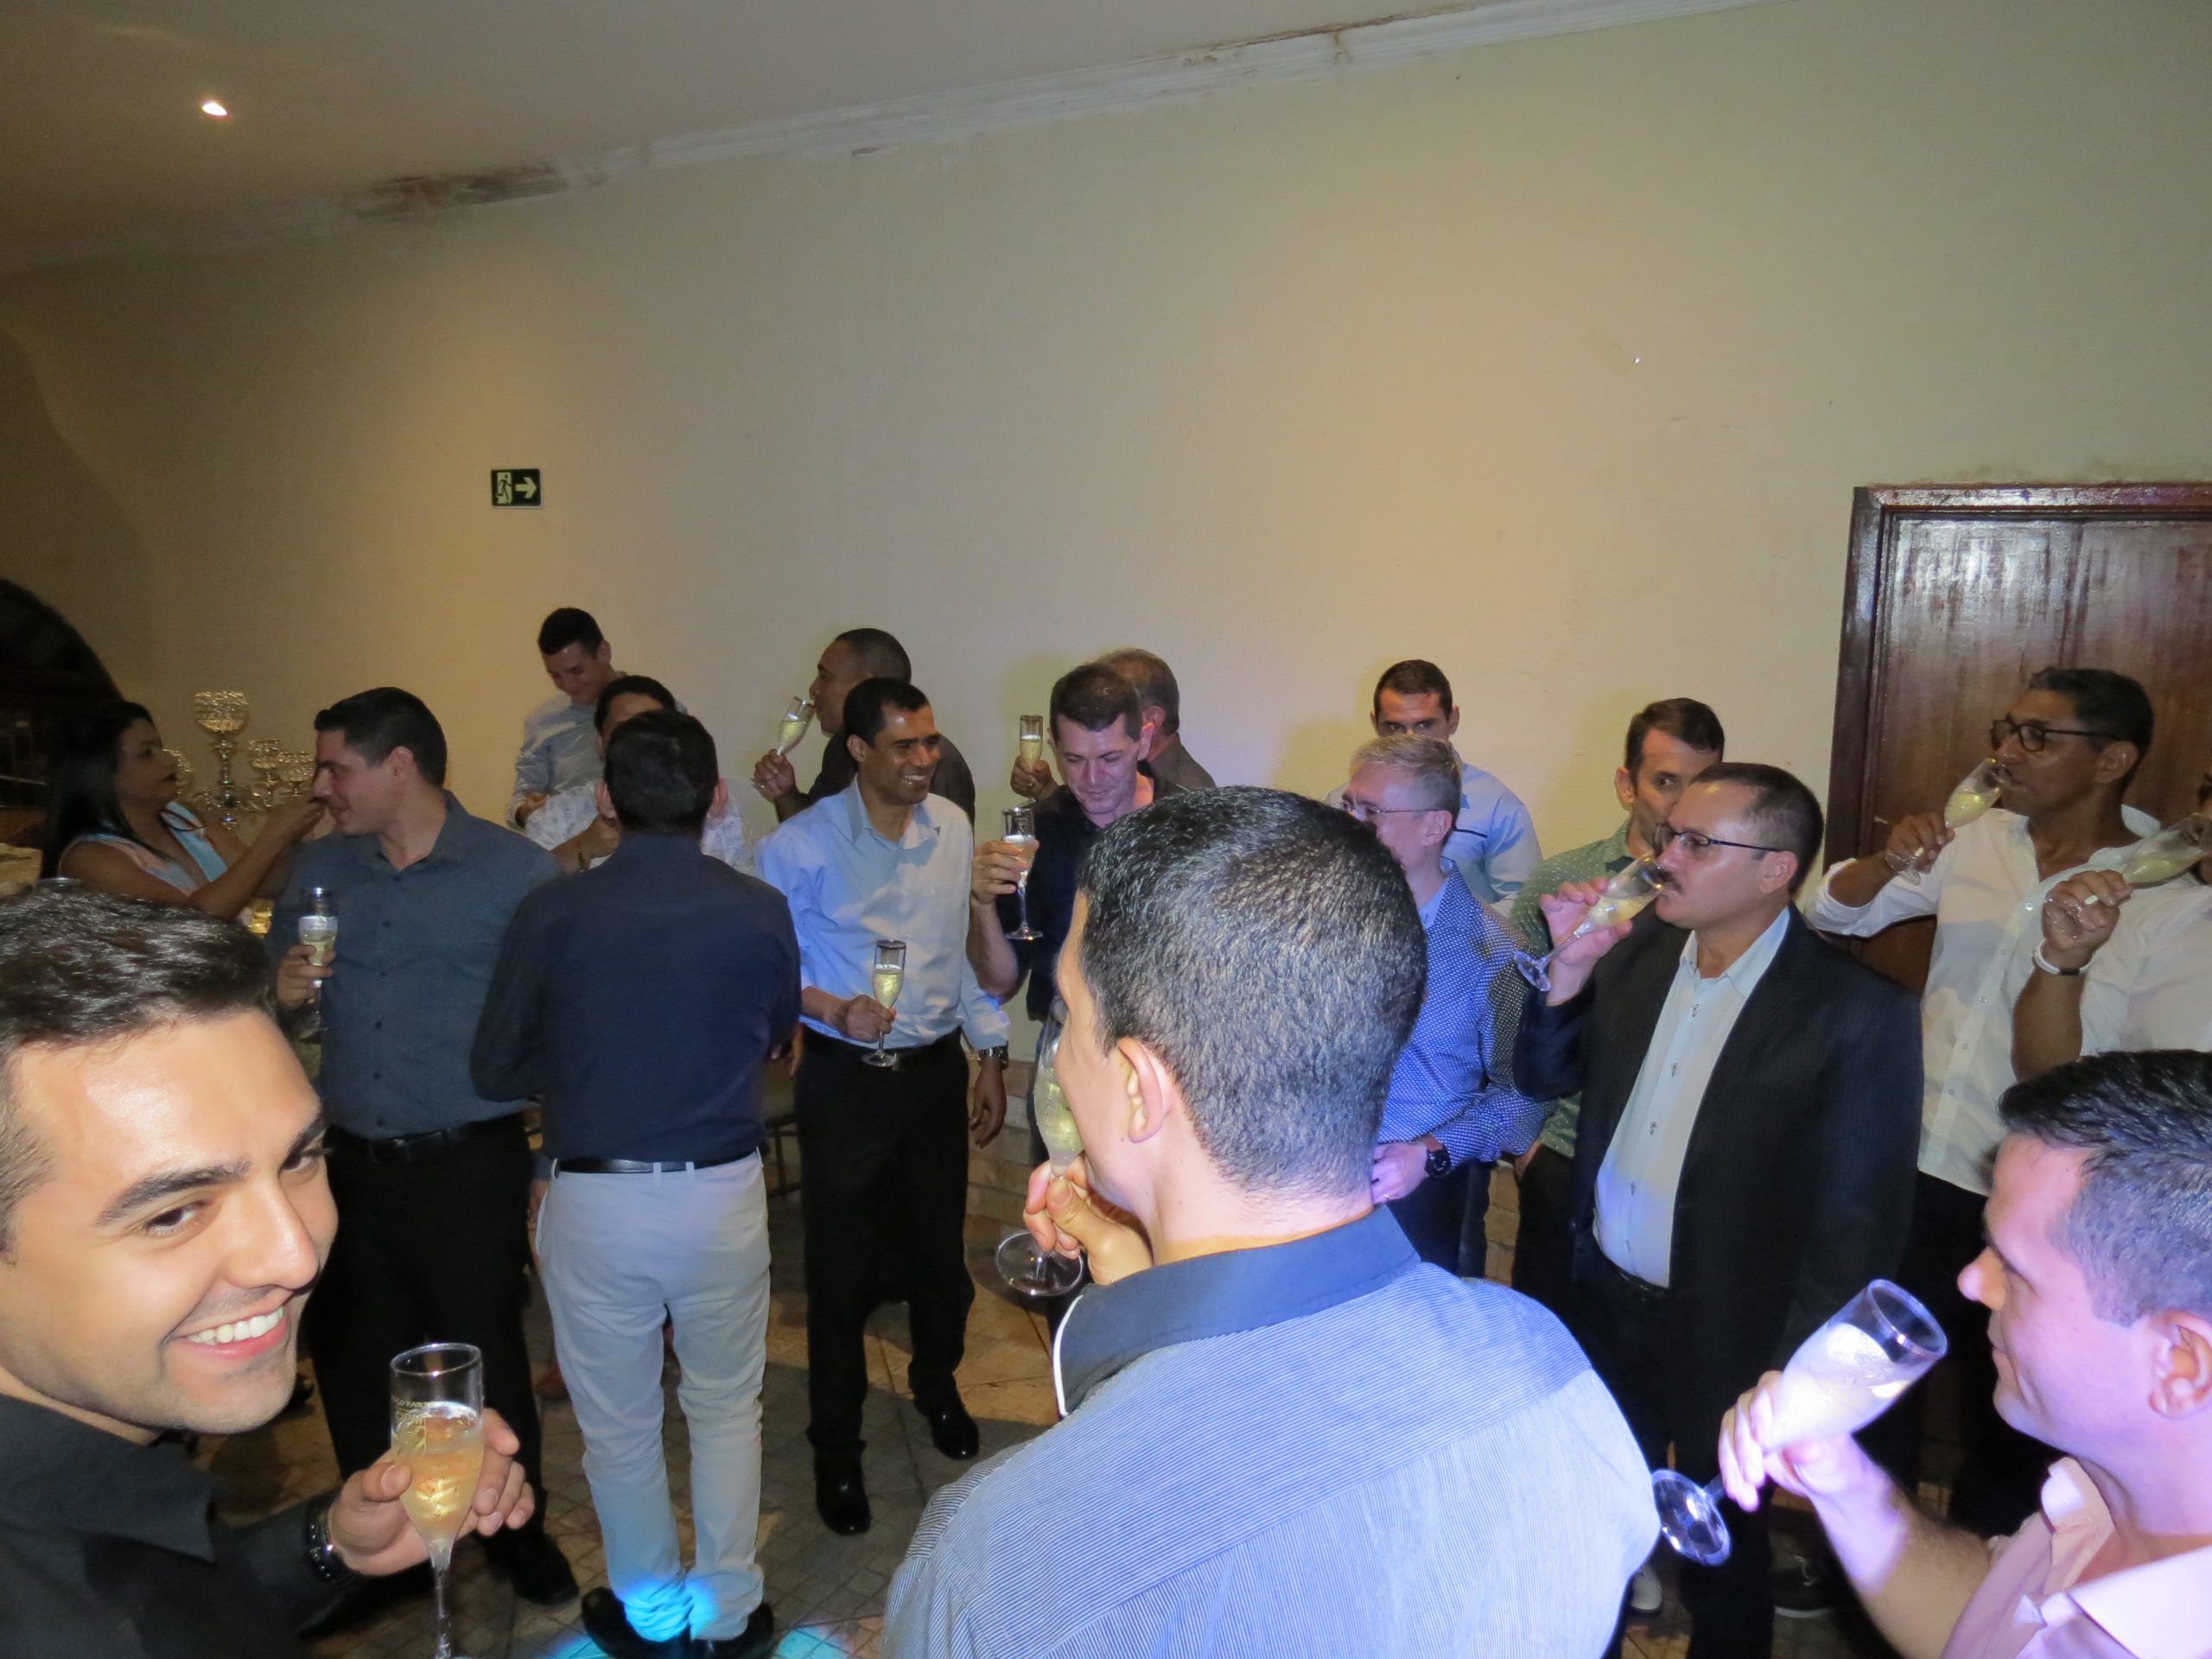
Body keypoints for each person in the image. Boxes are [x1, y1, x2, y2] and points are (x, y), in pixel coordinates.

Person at [885, 788, 1656, 1658]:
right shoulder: (1547, 1370)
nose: (1059, 1057)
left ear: (1138, 1086)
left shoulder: (997, 1570)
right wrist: (1136, 1274)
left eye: (1068, 1015)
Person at [0, 887, 537, 1659]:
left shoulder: (89, 1481)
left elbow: (163, 1601)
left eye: (300, 1158)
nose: (296, 1256)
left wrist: (329, 1546)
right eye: (173, 1213)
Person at [1517, 762, 1923, 1657]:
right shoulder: (1634, 957)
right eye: (1670, 836)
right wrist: (1569, 969)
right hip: (1603, 1300)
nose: (1665, 858)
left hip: (1732, 1330)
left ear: (1776, 869)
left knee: (1724, 1558)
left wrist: (1797, 1372)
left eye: (1698, 844)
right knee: (1596, 1523)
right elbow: (1543, 1079)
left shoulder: (1855, 1012)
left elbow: (1859, 1223)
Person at [1808, 668, 2168, 1537]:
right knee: (1876, 1381)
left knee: (2013, 1412)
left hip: (2045, 1195)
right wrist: (1890, 861)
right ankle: (1864, 1566)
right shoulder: (1977, 840)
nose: (2007, 751)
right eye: (2005, 729)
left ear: (2112, 760)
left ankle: (1994, 1578)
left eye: (2038, 736)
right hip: (1918, 1158)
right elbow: (1832, 912)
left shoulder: (2163, 886)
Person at [474, 712, 798, 1659]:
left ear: (607, 800)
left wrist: (583, 1059)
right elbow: (778, 1029)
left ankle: (652, 1618)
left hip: (598, 1191)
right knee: (726, 1409)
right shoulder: (757, 908)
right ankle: (729, 1615)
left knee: (618, 1426)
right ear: (717, 798)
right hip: (721, 1188)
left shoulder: (554, 911)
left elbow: (495, 1068)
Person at [1719, 1049, 2212, 1659]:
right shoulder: (2106, 1487)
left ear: (2179, 1362)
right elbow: (1990, 1622)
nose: (1973, 1282)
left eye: (2015, 1269)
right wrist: (1846, 1485)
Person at [269, 688, 575, 1605]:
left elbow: (562, 1028)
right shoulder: (321, 869)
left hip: (466, 1161)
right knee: (357, 1360)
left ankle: (517, 1533)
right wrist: (281, 992)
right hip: (345, 1164)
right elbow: (272, 1010)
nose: (322, 788)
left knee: (484, 1355)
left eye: (336, 768)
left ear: (399, 766)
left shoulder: (515, 874)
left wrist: (549, 1164)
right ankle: (381, 1548)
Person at [755, 678, 1010, 1538]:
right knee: (840, 1273)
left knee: (938, 1256)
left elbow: (955, 957)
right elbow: (770, 972)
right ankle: (836, 1447)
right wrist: (832, 1009)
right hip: (845, 1080)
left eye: (930, 741)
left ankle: (937, 1386)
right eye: (904, 745)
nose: (924, 759)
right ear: (859, 750)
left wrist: (988, 1052)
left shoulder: (953, 829)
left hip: (932, 1074)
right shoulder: (798, 847)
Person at [1509, 697, 1726, 1318]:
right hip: (1567, 1152)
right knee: (1548, 1337)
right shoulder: (1565, 880)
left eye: (1701, 785)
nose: (1682, 807)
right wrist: (1526, 1148)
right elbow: (1507, 1022)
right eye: (1666, 783)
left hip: (1672, 1170)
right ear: (1627, 786)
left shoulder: (1722, 897)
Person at [1343, 734, 1543, 1270]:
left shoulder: (1496, 952)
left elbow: (1522, 1101)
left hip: (1418, 1201)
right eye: (1349, 806)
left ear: (1435, 827)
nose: (1352, 825)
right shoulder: (1318, 924)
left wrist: (1430, 1154)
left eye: (1372, 812)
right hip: (1305, 1185)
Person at [969, 663, 1175, 1135]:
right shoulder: (1039, 832)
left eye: (1110, 758)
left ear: (1143, 741)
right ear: (1053, 748)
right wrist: (981, 905)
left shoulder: (1186, 823)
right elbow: (998, 982)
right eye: (1074, 759)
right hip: (1068, 1060)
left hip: (1166, 1062)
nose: (1093, 779)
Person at [2012, 765, 2212, 1077]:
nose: (2208, 816)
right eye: (2210, 792)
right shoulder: (2160, 917)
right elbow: (2047, 1077)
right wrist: (2063, 960)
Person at [40, 700, 325, 914]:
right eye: (147, 753)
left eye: (160, 747)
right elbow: (192, 921)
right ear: (101, 773)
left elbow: (269, 884)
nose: (169, 760)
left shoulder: (185, 817)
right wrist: (272, 838)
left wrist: (294, 834)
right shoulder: (91, 857)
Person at [1324, 658, 1541, 906]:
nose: (1410, 739)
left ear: (1452, 720)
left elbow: (1524, 904)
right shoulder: (1342, 803)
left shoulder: (1497, 807)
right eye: (1394, 727)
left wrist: (1455, 927)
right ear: (1375, 724)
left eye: (1425, 725)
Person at [523, 674, 751, 875]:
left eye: (651, 730)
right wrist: (583, 847)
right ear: (600, 740)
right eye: (623, 730)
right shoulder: (556, 816)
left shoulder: (718, 809)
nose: (637, 742)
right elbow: (523, 892)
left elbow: (742, 891)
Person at [751, 628, 976, 823]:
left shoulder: (934, 763)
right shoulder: (842, 748)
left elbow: (941, 853)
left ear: (864, 686)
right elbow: (812, 836)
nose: (814, 689)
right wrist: (786, 794)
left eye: (825, 677)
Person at [511, 607, 625, 827]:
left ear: (604, 652)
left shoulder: (653, 707)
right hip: (572, 844)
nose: (568, 685)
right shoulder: (542, 721)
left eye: (576, 671)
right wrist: (526, 812)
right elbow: (520, 799)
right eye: (555, 676)